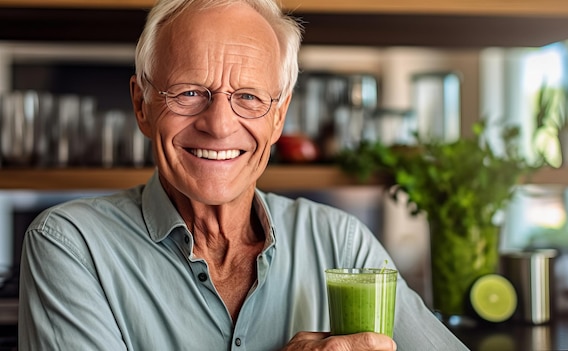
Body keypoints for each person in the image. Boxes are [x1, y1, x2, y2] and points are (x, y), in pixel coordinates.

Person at [18, 0, 469, 350]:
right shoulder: (70, 244)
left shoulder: (340, 241)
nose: (219, 124)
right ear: (142, 105)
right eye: (190, 92)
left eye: (249, 97)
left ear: (278, 117)